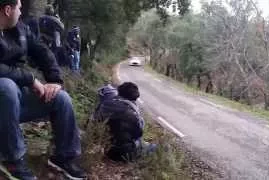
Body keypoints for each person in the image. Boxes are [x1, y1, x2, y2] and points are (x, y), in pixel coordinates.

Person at [0, 0, 87, 179]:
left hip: (16, 98)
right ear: (8, 10)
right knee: (5, 86)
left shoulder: (21, 29)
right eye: (19, 7)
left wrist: (55, 80)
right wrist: (30, 79)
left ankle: (63, 158)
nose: (21, 10)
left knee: (60, 99)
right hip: (5, 95)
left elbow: (42, 51)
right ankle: (12, 160)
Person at [94, 82, 157, 162]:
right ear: (134, 98)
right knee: (158, 147)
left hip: (105, 148)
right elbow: (138, 134)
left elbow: (94, 121)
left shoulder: (106, 105)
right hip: (124, 153)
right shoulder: (131, 113)